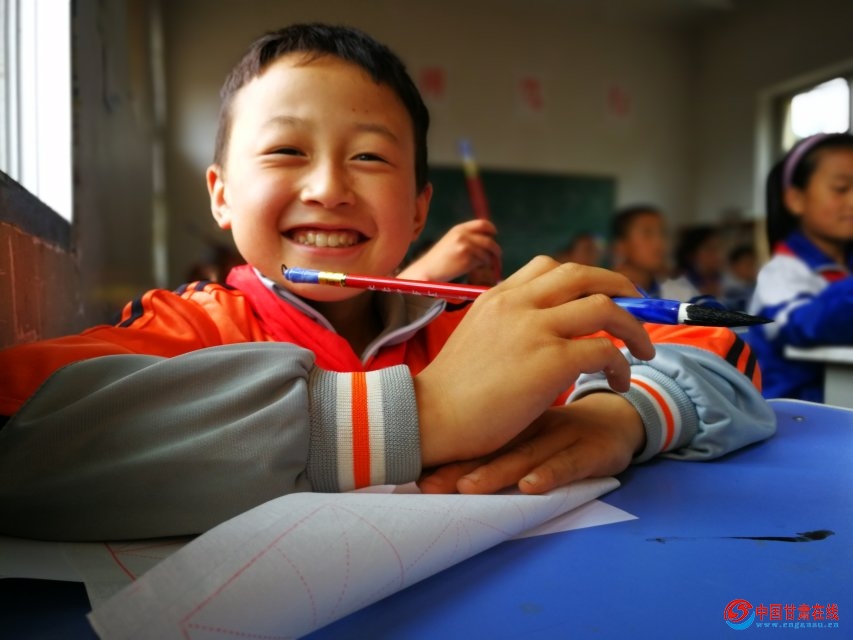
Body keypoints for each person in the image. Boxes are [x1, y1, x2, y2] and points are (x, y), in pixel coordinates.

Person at [0, 24, 774, 541]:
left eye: (369, 157)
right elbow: (18, 428)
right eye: (285, 152)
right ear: (221, 194)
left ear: (418, 211)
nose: (329, 188)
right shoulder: (191, 328)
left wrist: (624, 415)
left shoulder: (469, 326)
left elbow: (718, 352)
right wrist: (423, 414)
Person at [747, 132, 853, 402]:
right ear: (796, 199)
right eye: (841, 189)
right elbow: (802, 327)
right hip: (794, 415)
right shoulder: (781, 272)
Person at [610, 205, 699, 300]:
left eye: (663, 233)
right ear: (621, 245)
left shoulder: (681, 293)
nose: (659, 242)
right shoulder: (606, 291)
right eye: (647, 233)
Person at [673, 225, 725, 299]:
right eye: (710, 249)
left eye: (719, 248)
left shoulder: (722, 280)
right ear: (692, 254)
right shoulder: (680, 286)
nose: (718, 254)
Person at [721, 244, 758, 312]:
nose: (752, 268)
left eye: (753, 263)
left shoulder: (755, 286)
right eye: (747, 264)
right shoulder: (724, 290)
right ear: (734, 266)